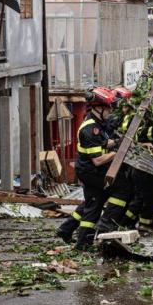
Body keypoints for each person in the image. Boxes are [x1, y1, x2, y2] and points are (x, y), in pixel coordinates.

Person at [55, 87, 118, 250]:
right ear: (98, 108)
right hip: (91, 171)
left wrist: (114, 143)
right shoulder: (90, 128)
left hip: (90, 170)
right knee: (95, 205)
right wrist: (117, 153)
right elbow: (98, 160)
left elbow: (103, 143)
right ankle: (82, 243)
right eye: (108, 107)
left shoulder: (98, 123)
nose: (111, 111)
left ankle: (66, 229)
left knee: (92, 201)